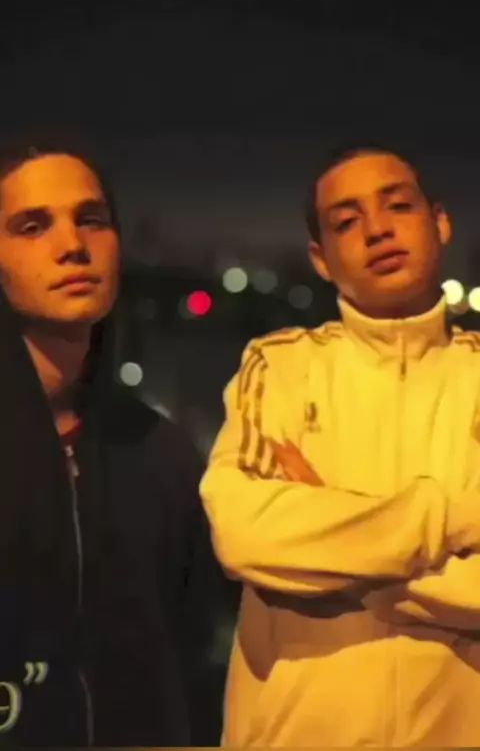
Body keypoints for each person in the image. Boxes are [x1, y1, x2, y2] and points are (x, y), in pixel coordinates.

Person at [200, 145, 480, 747]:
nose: (377, 230)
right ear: (320, 259)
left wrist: (336, 546)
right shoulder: (281, 366)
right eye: (347, 222)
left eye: (397, 206)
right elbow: (244, 532)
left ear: (440, 222)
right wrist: (455, 517)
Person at [0, 141, 220, 747]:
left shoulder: (161, 454)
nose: (72, 245)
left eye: (91, 219)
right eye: (33, 226)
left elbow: (193, 653)